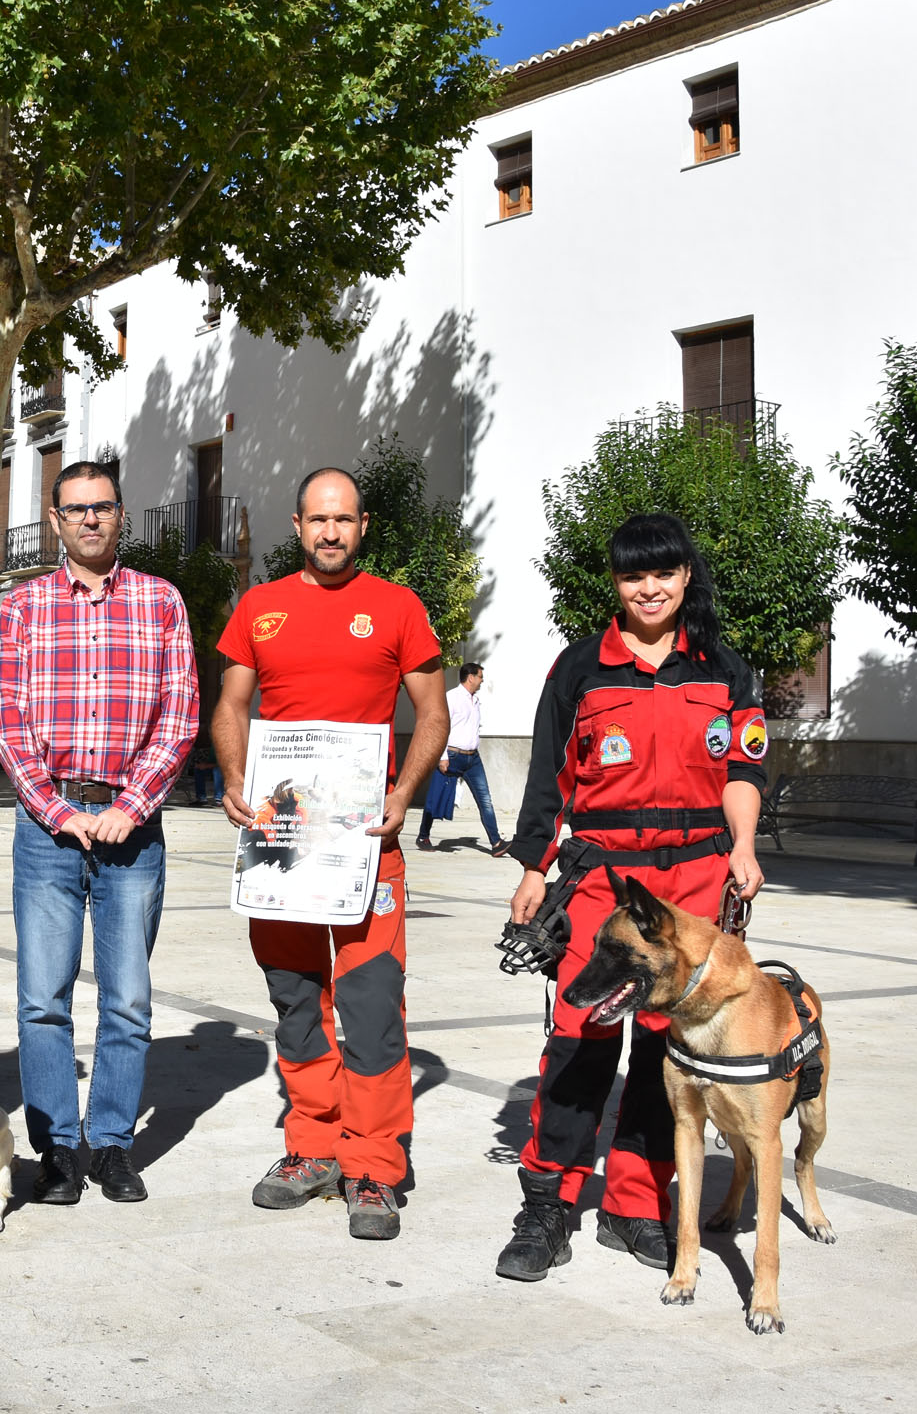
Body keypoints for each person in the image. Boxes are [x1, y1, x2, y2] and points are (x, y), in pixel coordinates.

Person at [495, 511, 768, 1281]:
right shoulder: (579, 668)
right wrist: (532, 869)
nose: (648, 588)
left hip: (693, 885)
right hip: (603, 882)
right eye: (632, 575)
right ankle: (548, 1200)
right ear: (616, 582)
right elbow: (550, 777)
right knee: (582, 1034)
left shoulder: (724, 668)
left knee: (664, 1046)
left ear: (685, 578)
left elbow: (745, 771)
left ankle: (635, 1203)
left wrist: (743, 845)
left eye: (663, 573)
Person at [212, 467, 450, 1242]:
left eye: (344, 519)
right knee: (294, 997)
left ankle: (375, 1165)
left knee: (372, 1005)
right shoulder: (261, 606)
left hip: (365, 845)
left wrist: (403, 791)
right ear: (299, 523)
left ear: (363, 524)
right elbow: (231, 705)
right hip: (280, 837)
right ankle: (311, 1146)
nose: (330, 532)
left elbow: (434, 712)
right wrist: (234, 778)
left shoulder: (398, 607)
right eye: (318, 519)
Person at [0, 462, 197, 1205]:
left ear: (121, 514)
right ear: (55, 519)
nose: (90, 520)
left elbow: (179, 716)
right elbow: (5, 717)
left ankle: (111, 1142)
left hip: (132, 831)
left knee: (128, 997)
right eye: (75, 509)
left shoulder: (161, 602)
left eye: (102, 507)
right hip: (49, 828)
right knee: (42, 996)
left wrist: (130, 806)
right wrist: (57, 808)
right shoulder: (22, 608)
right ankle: (58, 1148)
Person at [417, 662, 509, 855]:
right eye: (480, 676)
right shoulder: (451, 698)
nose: (482, 681)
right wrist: (442, 757)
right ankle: (423, 836)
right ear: (471, 677)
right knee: (436, 797)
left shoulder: (475, 700)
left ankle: (496, 843)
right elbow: (440, 728)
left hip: (473, 759)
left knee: (485, 800)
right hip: (452, 755)